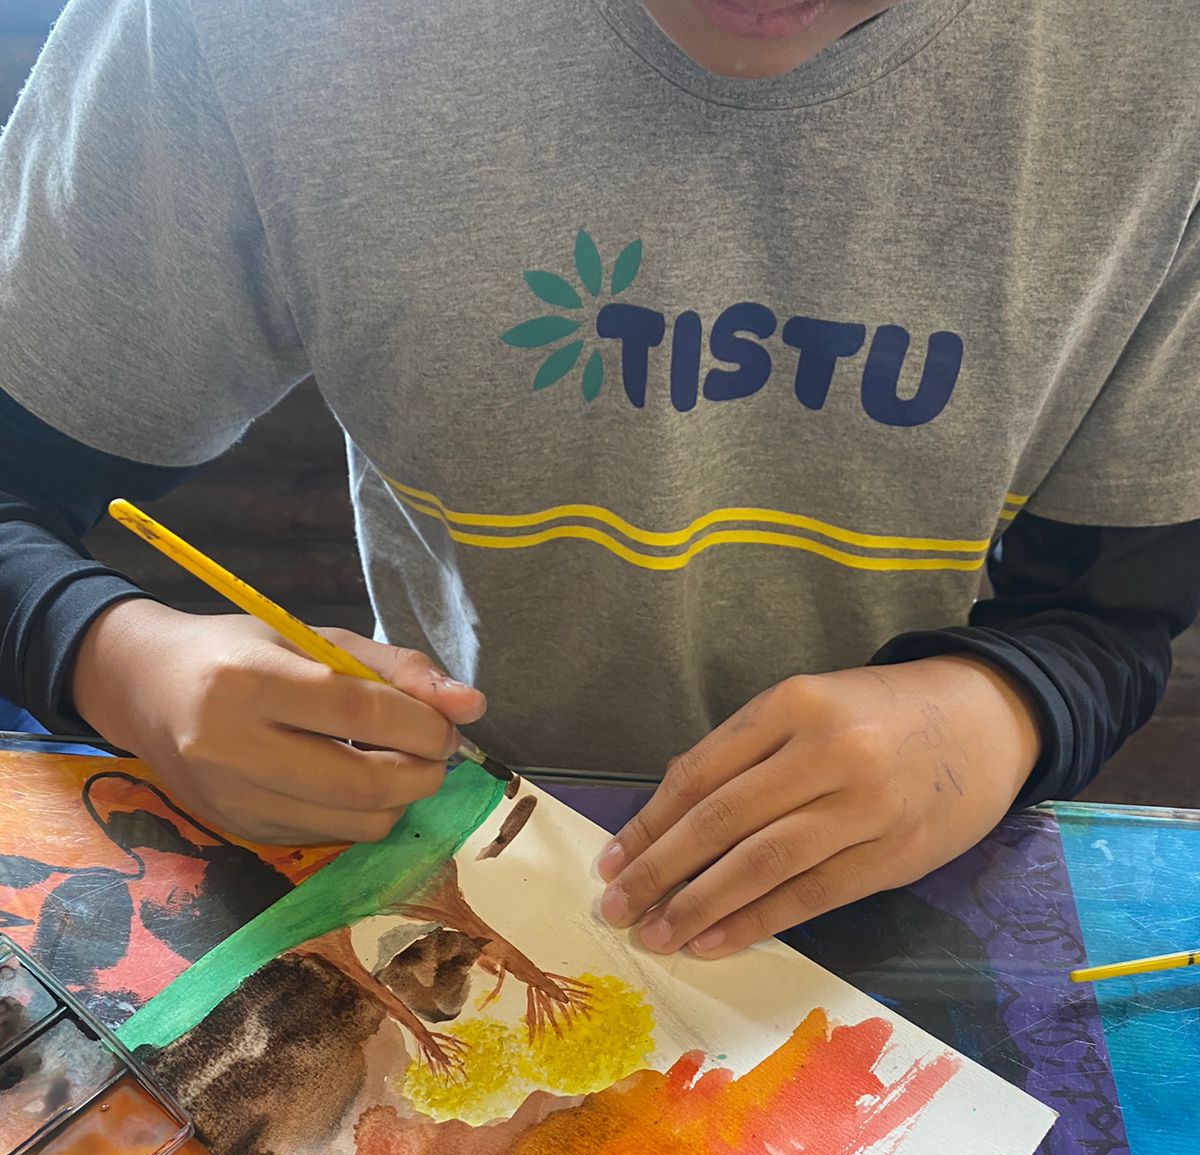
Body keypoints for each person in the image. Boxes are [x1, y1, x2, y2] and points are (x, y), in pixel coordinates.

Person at [1, 0, 1197, 961]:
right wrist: (120, 662)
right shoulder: (235, 29)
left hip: (901, 888)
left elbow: (1114, 610)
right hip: (442, 819)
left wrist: (1003, 709)